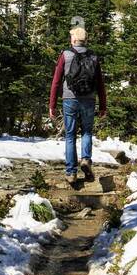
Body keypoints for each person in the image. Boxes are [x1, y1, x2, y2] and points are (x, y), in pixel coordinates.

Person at [48, 15, 107, 185]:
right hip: (89, 99)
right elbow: (100, 84)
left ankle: (71, 172)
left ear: (73, 39)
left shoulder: (65, 55)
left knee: (70, 135)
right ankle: (86, 160)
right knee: (87, 132)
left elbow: (56, 81)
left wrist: (52, 104)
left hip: (69, 99)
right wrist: (103, 105)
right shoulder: (94, 57)